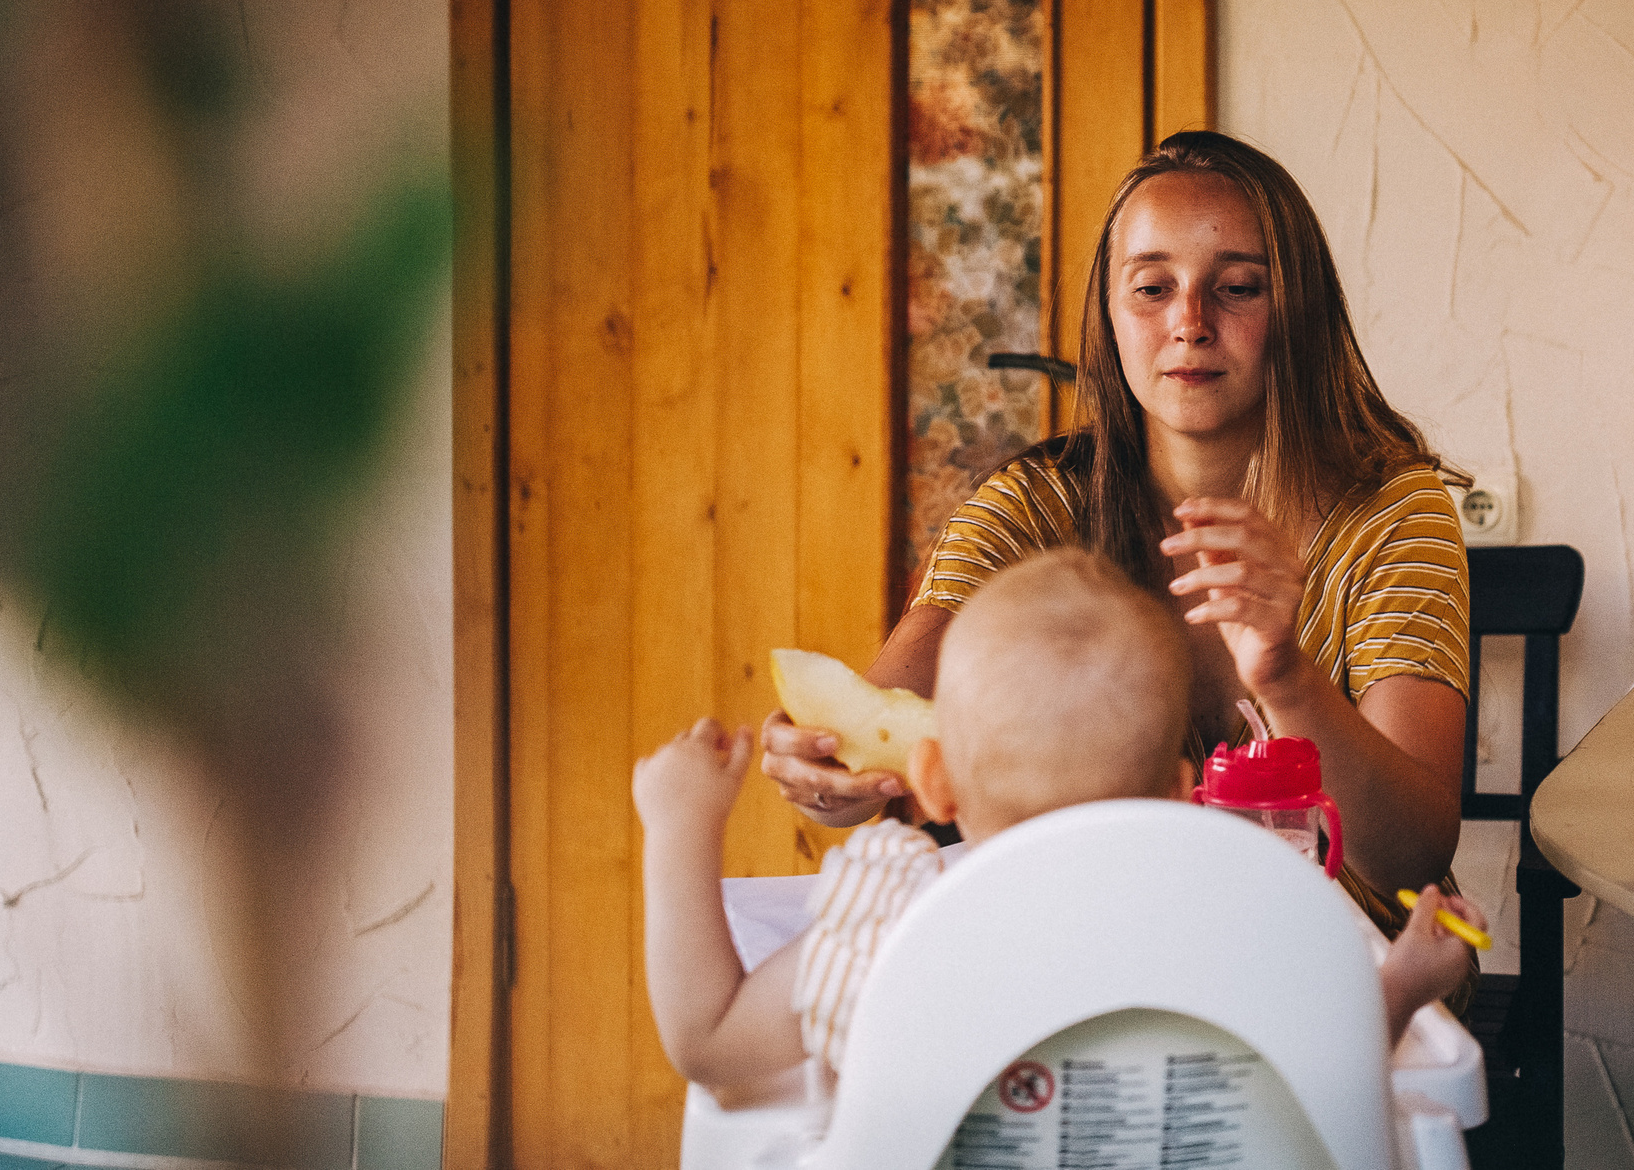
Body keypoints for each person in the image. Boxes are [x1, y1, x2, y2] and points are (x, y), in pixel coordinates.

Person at [760, 129, 1473, 942]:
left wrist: (1287, 679)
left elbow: (1413, 853)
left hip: (1350, 975)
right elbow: (894, 709)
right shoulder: (1034, 502)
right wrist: (833, 762)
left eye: (1238, 286)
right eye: (1151, 287)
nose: (1191, 321)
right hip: (1097, 955)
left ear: (1297, 309)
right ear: (1110, 310)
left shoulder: (1391, 510)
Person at [635, 549, 1485, 1101]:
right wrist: (1404, 982)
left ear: (931, 779)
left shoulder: (892, 908)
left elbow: (708, 1037)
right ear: (1181, 787)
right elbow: (1316, 1069)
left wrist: (681, 828)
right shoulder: (1219, 921)